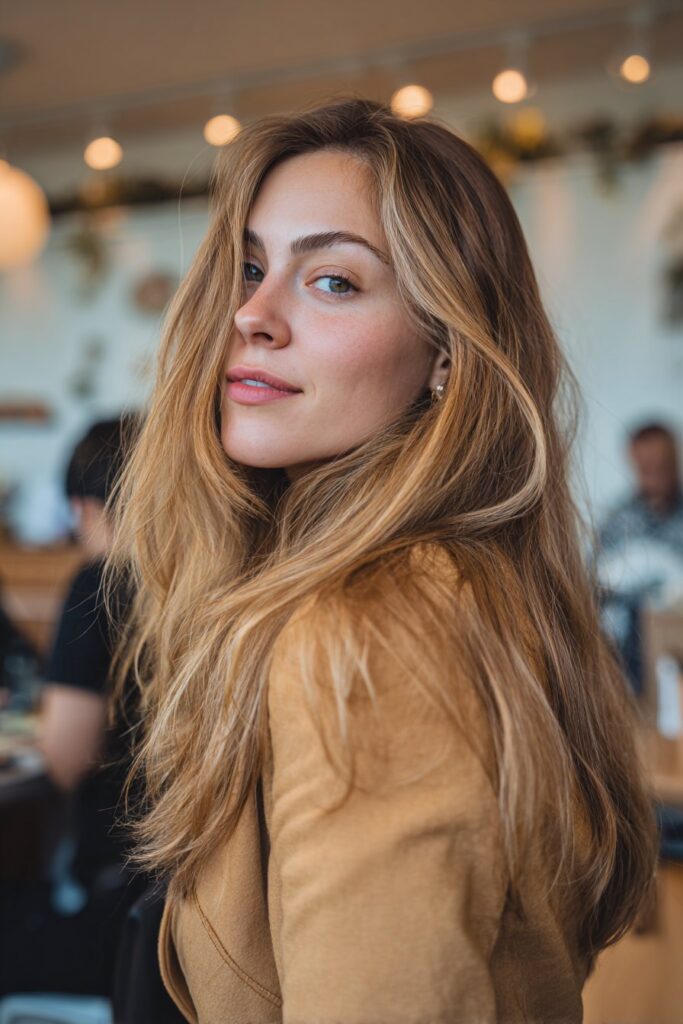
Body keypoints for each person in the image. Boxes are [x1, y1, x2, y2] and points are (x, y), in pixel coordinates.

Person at [108, 99, 657, 1023]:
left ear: (445, 348)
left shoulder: (373, 631)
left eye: (333, 281)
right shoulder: (431, 591)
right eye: (249, 267)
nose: (251, 314)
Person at [0, 416, 145, 999]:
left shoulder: (100, 583)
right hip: (177, 906)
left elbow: (64, 756)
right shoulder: (211, 578)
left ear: (86, 508)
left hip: (116, 911)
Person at [597, 422, 683, 691]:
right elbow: (594, 589)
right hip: (629, 672)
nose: (654, 475)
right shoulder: (617, 521)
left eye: (661, 465)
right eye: (645, 467)